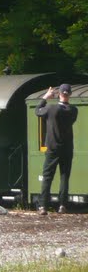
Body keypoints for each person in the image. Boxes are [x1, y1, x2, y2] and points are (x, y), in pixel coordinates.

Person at [36, 84, 78, 214]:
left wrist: (46, 97)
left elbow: (37, 111)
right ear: (70, 94)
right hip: (67, 148)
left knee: (47, 177)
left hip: (52, 148)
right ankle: (62, 205)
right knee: (64, 177)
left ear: (59, 93)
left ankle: (43, 206)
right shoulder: (74, 110)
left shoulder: (50, 108)